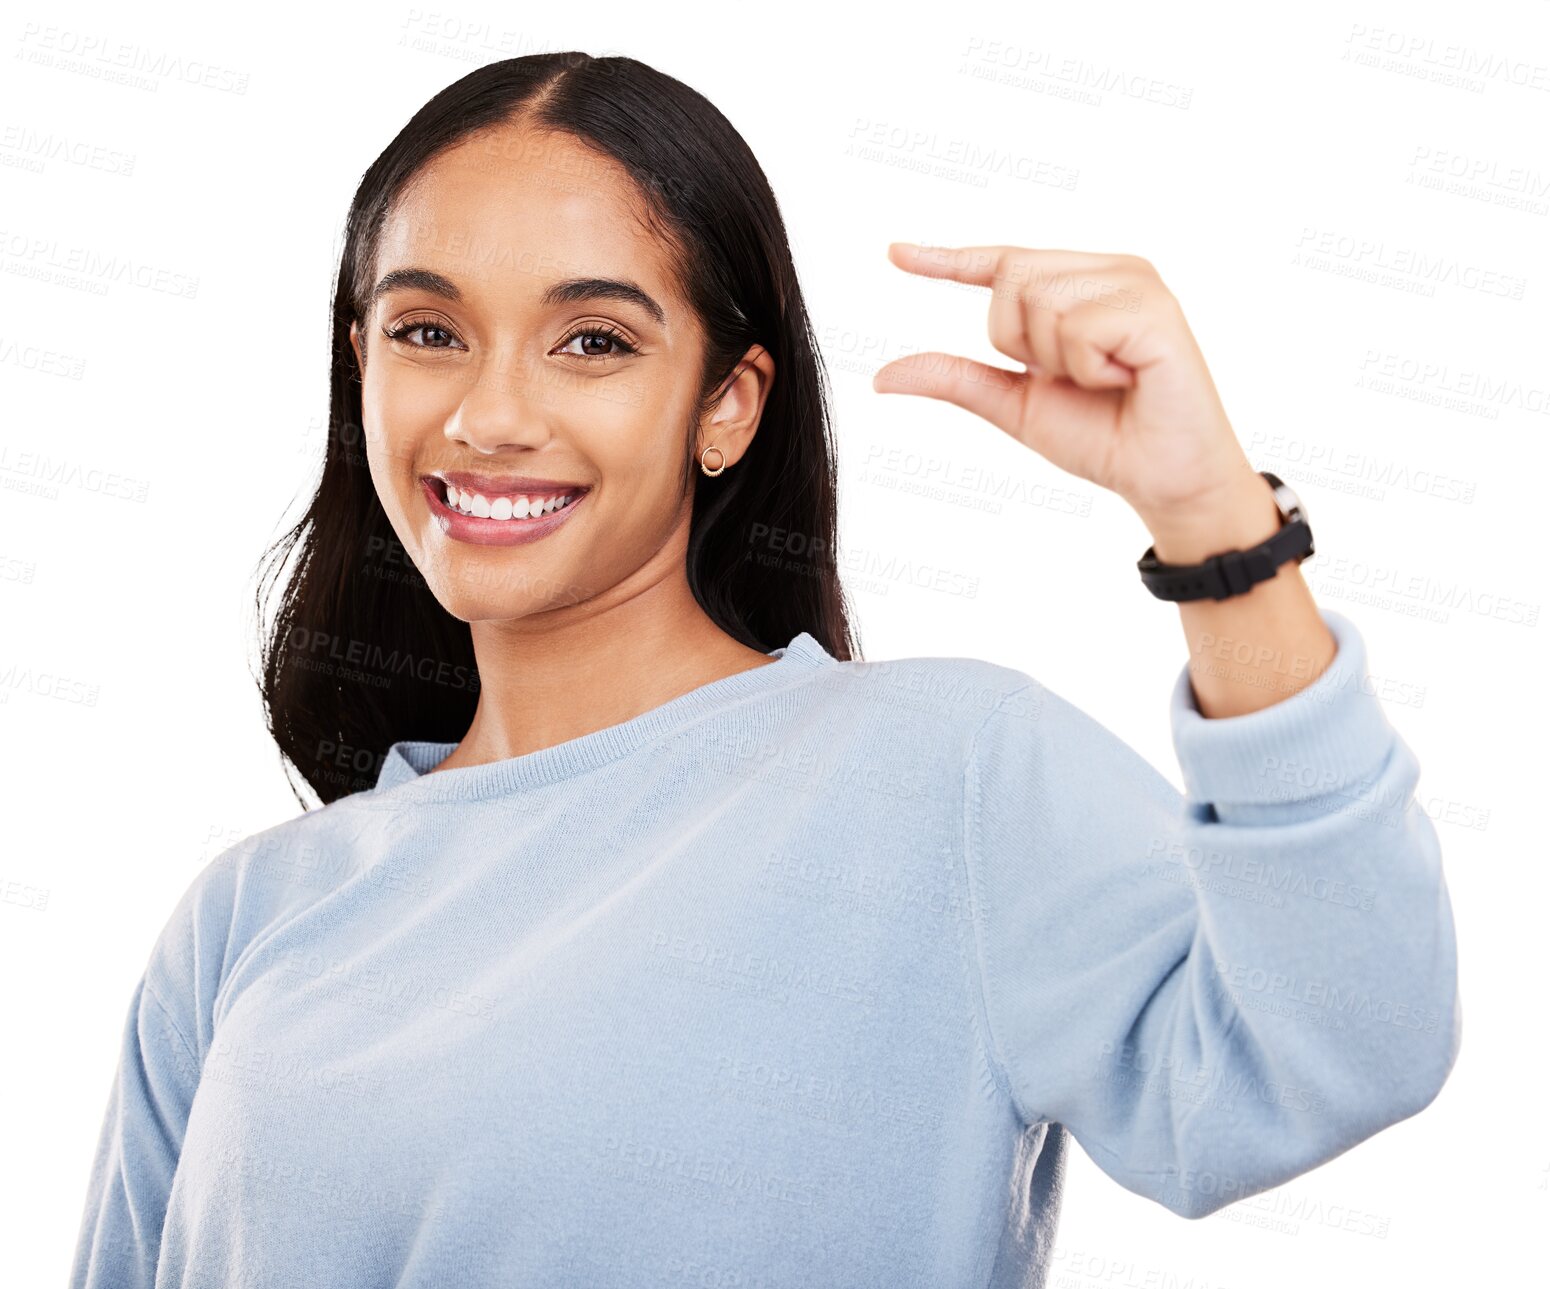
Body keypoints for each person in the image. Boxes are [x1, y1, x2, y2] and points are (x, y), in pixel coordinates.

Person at [70, 51, 1460, 1289]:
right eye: (428, 331)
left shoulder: (942, 774)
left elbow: (1339, 1044)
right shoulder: (248, 916)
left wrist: (1214, 521)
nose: (489, 413)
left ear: (725, 404)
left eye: (593, 342)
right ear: (359, 363)